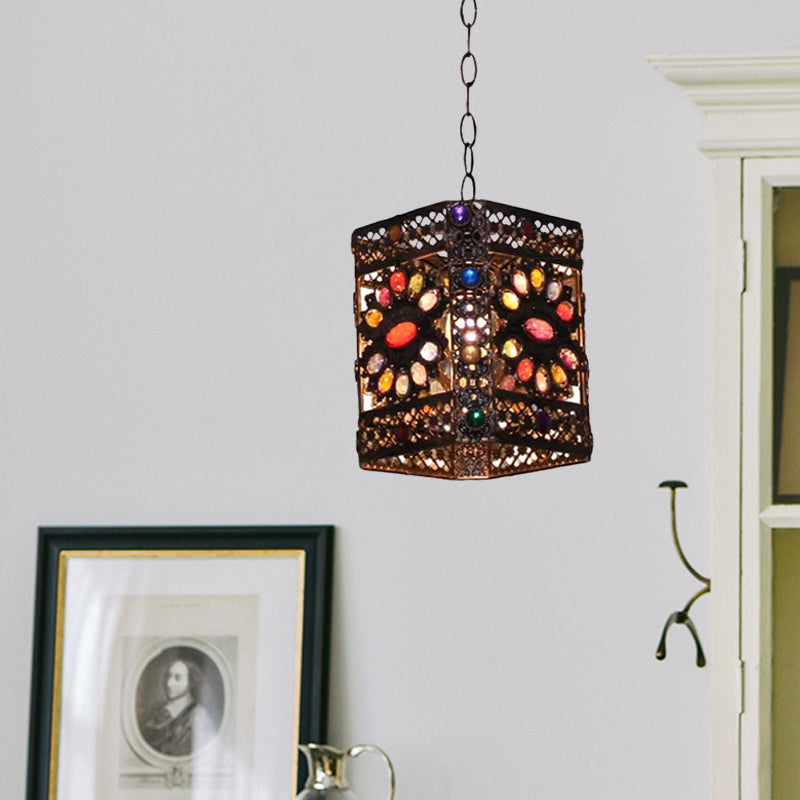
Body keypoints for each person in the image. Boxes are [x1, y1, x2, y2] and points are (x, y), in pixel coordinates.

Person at [140, 657, 217, 757]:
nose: (169, 684)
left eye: (177, 678)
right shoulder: (158, 712)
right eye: (168, 677)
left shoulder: (198, 716)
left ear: (191, 682)